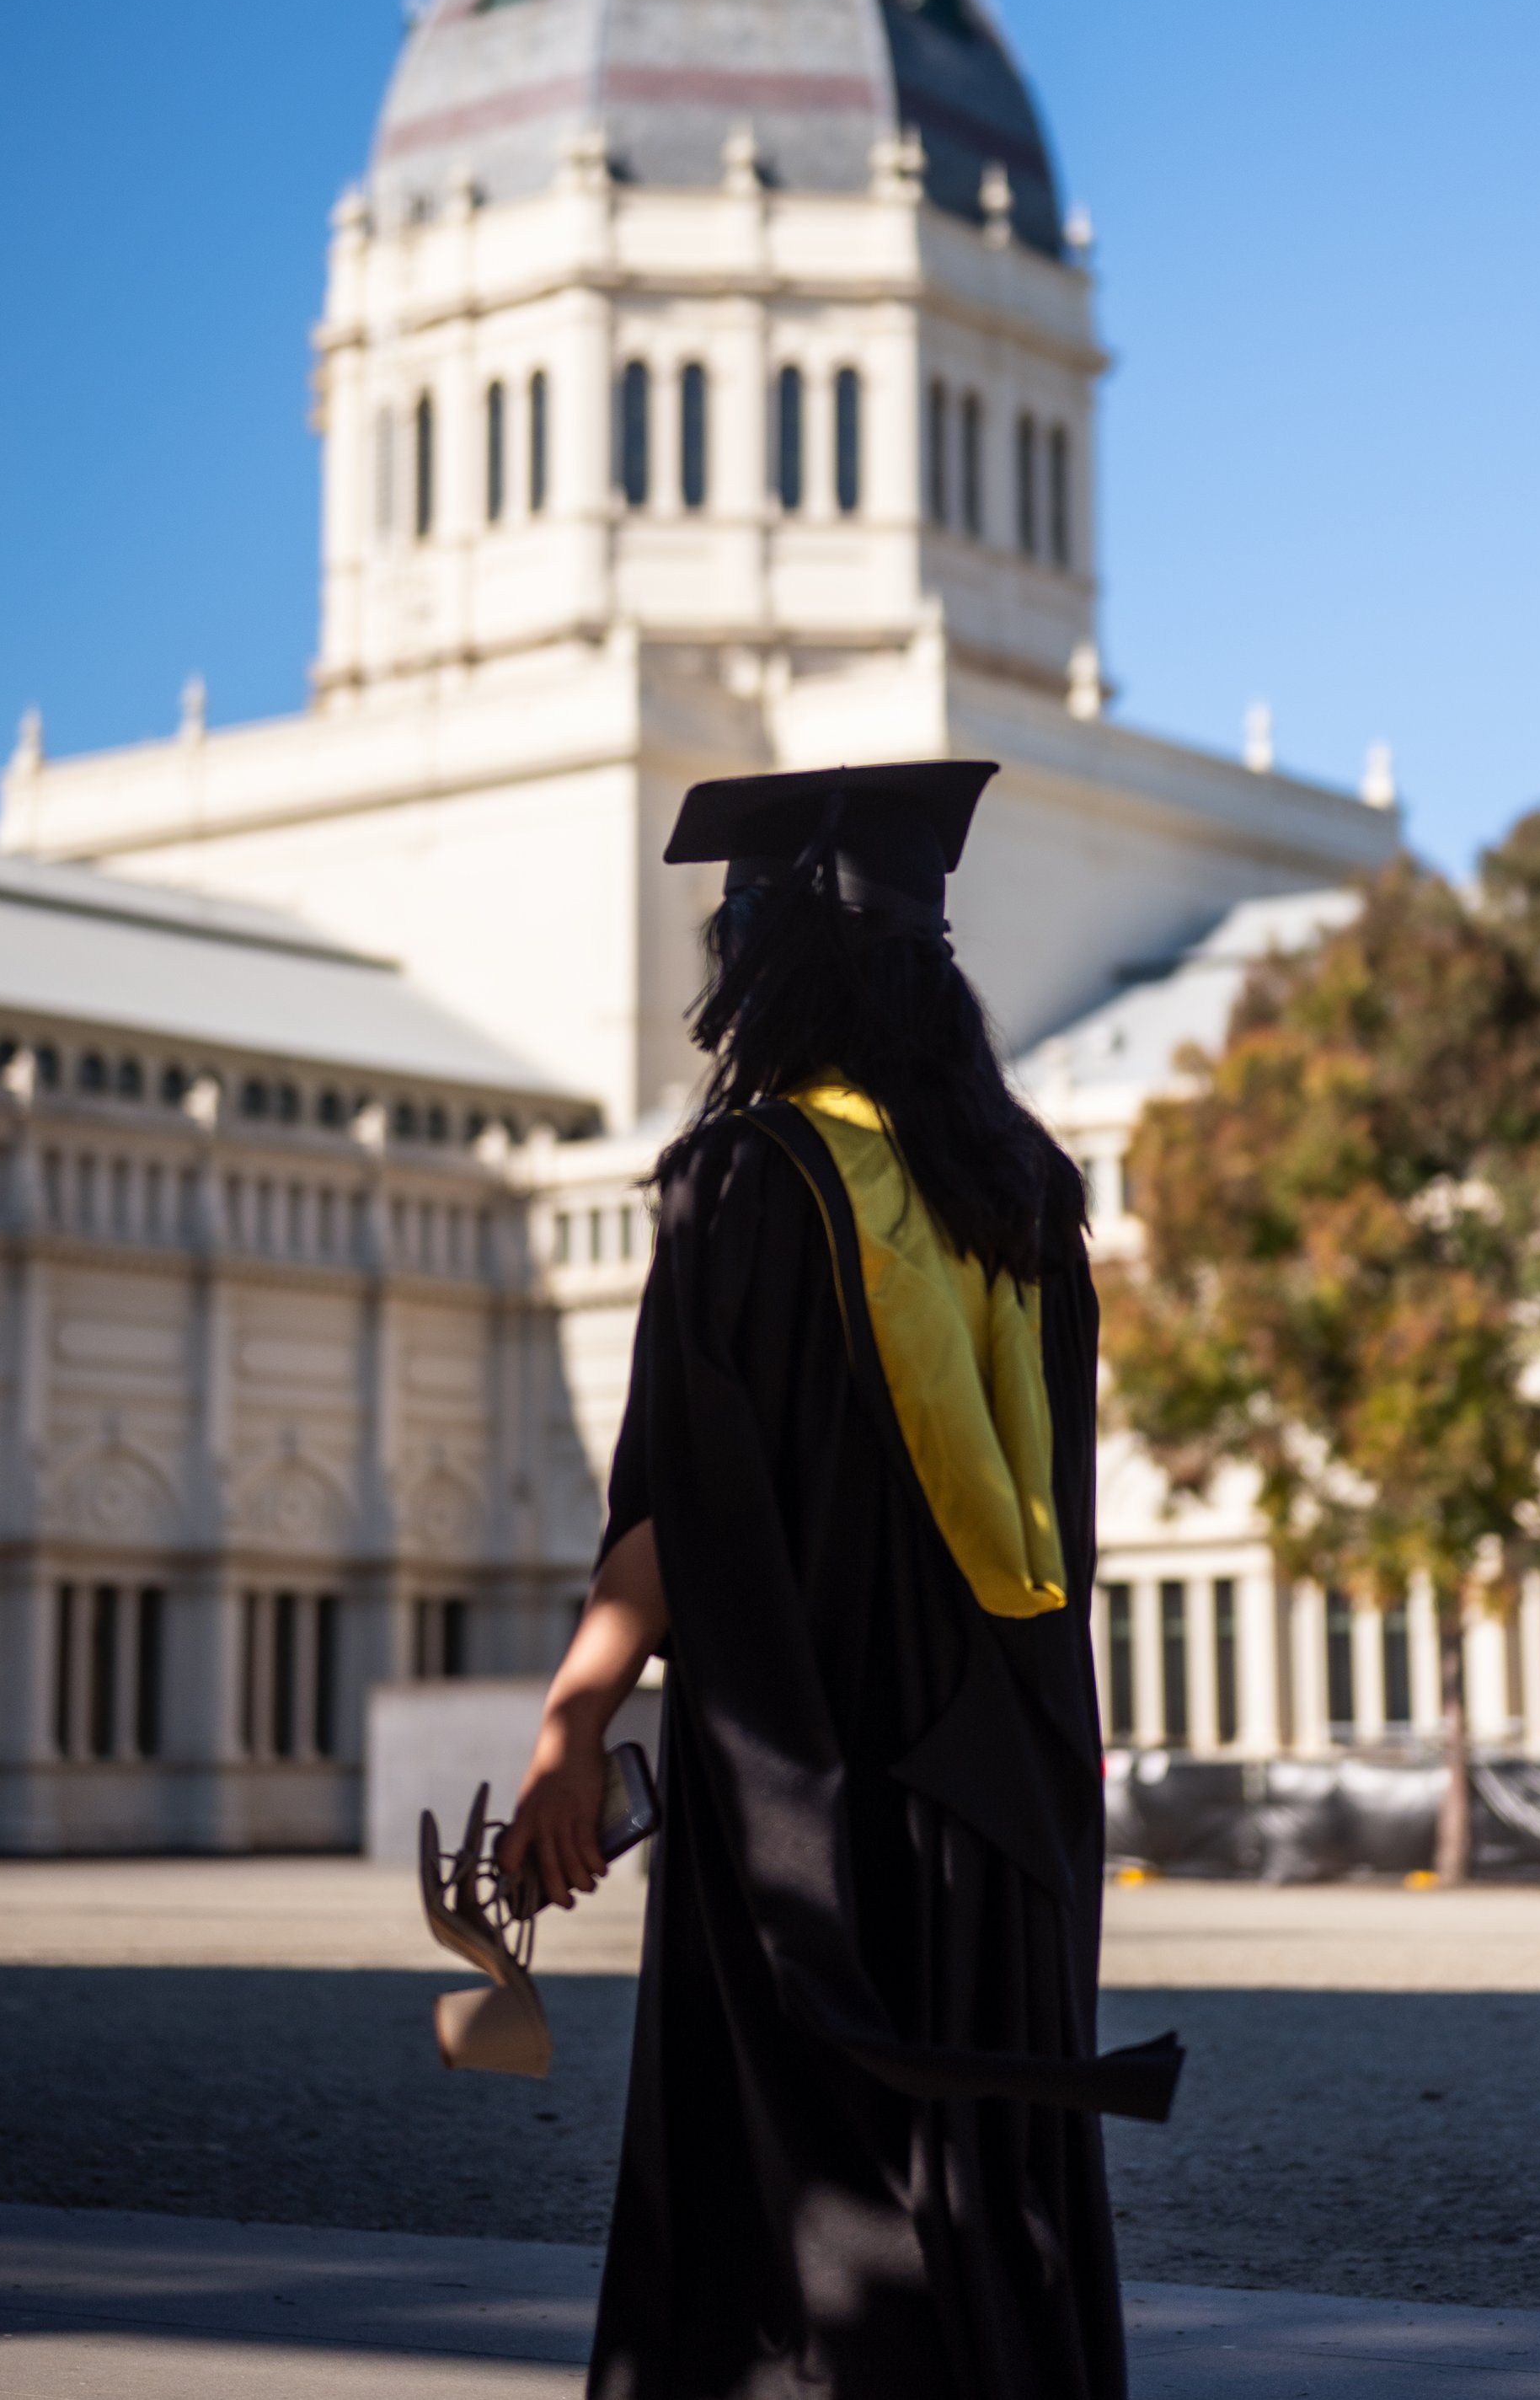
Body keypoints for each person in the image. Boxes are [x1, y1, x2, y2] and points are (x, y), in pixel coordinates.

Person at [500, 759, 1179, 2400]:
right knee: (986, 2175)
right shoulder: (1026, 1198)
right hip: (1003, 1799)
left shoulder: (744, 1179)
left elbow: (682, 1510)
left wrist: (570, 1727)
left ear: (767, 953)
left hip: (820, 1790)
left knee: (801, 2214)